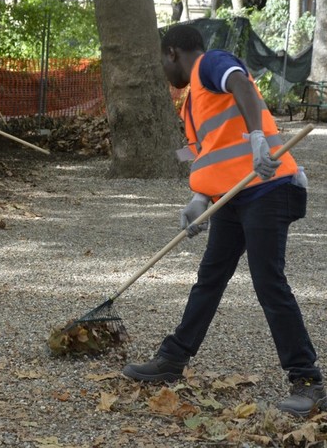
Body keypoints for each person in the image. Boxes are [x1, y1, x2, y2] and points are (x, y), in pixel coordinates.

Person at [122, 24, 324, 418]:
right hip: (233, 198)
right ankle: (173, 358)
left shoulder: (211, 64)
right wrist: (198, 200)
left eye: (163, 63)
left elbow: (243, 87)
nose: (166, 74)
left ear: (173, 53)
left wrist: (257, 139)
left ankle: (308, 381)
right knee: (211, 276)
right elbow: (208, 157)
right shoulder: (193, 105)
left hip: (267, 185)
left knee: (268, 280)